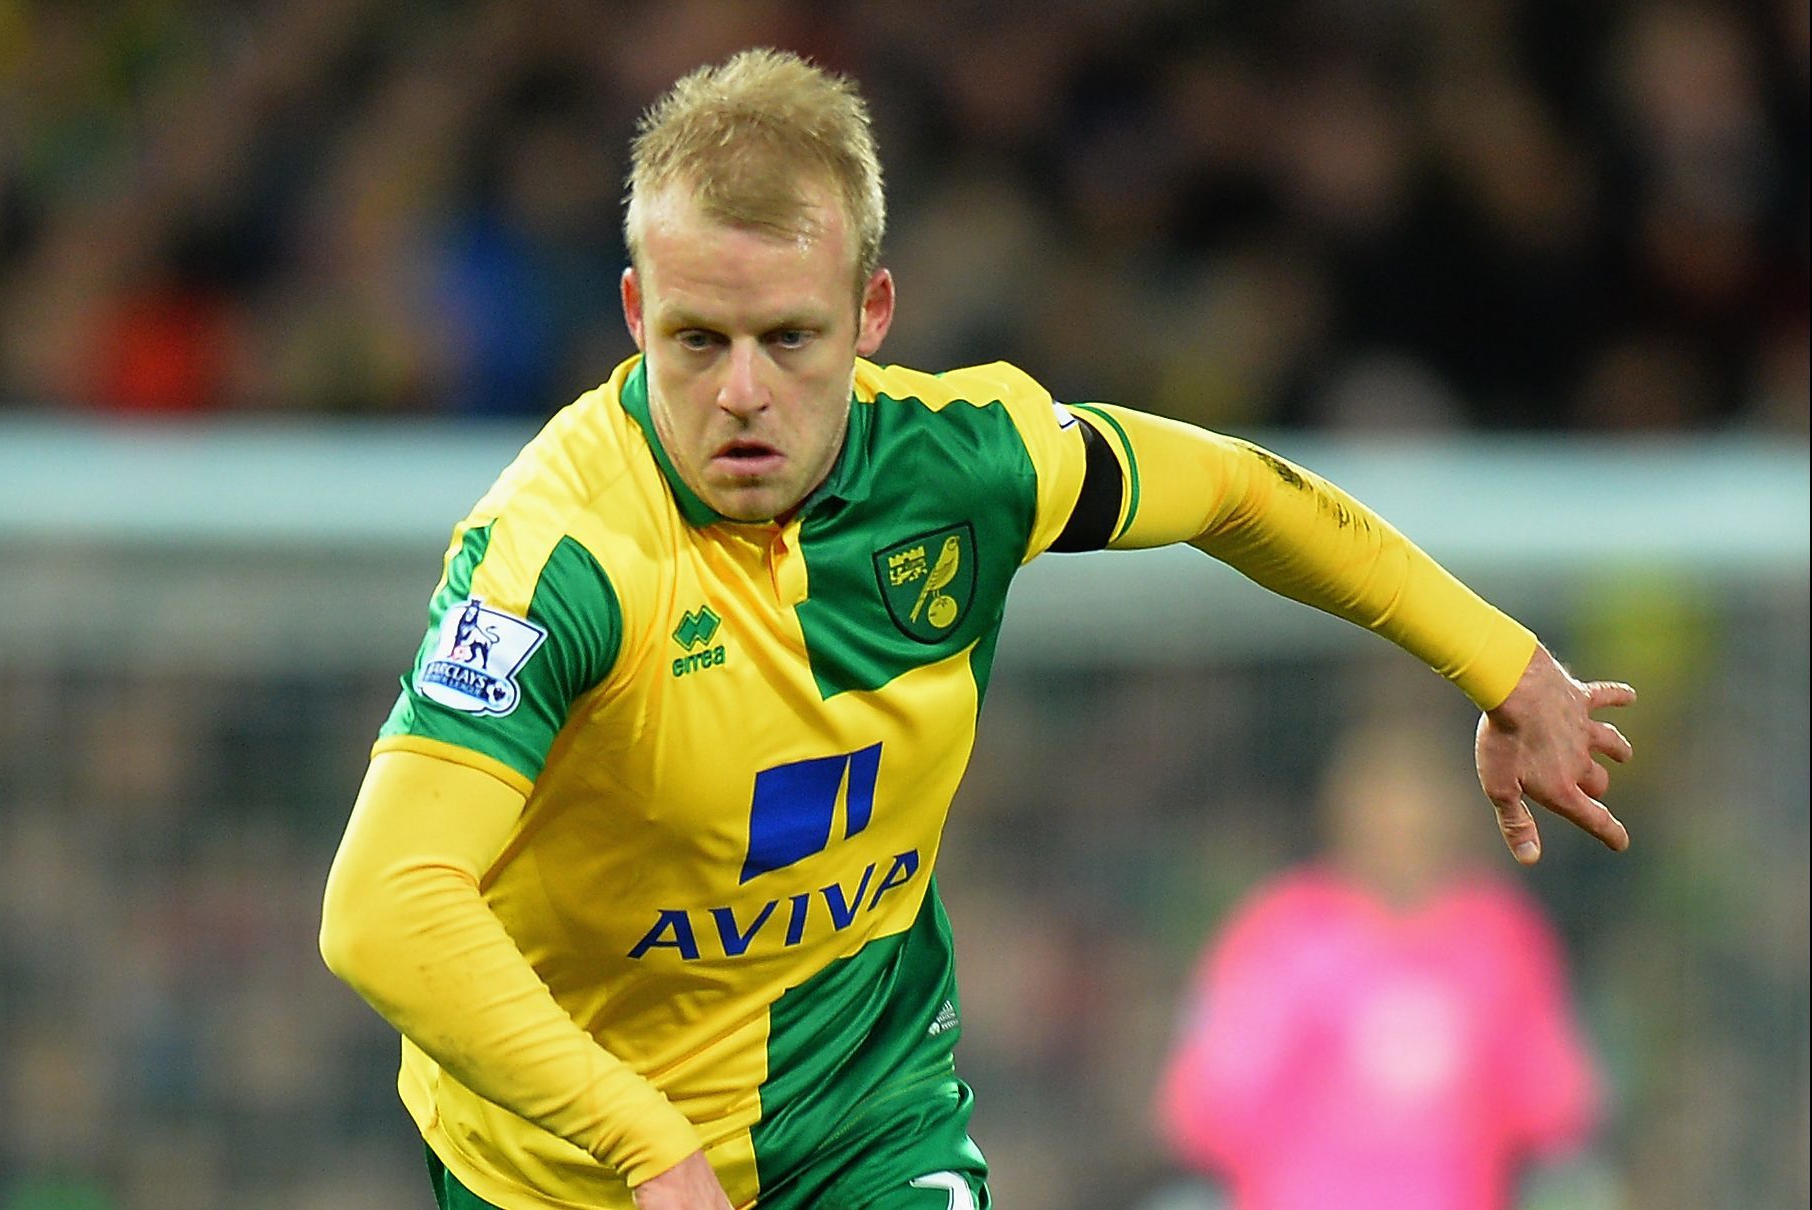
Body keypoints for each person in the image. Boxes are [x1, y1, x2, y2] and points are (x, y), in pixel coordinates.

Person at [318, 48, 1635, 1210]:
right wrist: (645, 1144)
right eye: (695, 340)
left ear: (873, 316)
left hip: (863, 1117)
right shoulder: (554, 557)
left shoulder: (969, 465)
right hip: (566, 1169)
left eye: (789, 337)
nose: (741, 393)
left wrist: (1503, 662)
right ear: (630, 315)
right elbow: (381, 905)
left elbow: (1231, 491)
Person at [1154, 711, 1604, 1210]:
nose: (1401, 826)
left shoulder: (1500, 940)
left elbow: (1558, 1108)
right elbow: (1202, 1109)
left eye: (1419, 804)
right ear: (1341, 811)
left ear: (1454, 814)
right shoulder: (1281, 936)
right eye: (1383, 804)